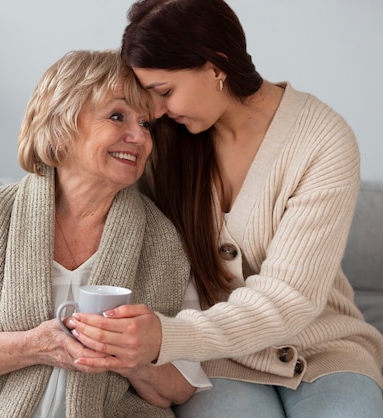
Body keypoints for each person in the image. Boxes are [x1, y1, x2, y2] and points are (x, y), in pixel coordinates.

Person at [62, 1, 383, 417]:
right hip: (211, 357)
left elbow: (291, 298)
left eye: (164, 92)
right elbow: (79, 184)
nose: (154, 112)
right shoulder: (162, 137)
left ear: (216, 66)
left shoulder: (322, 140)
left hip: (321, 348)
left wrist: (166, 336)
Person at [0, 49, 209, 418]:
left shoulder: (165, 242)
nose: (139, 137)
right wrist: (34, 345)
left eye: (146, 124)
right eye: (118, 116)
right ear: (62, 126)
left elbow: (182, 385)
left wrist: (129, 358)